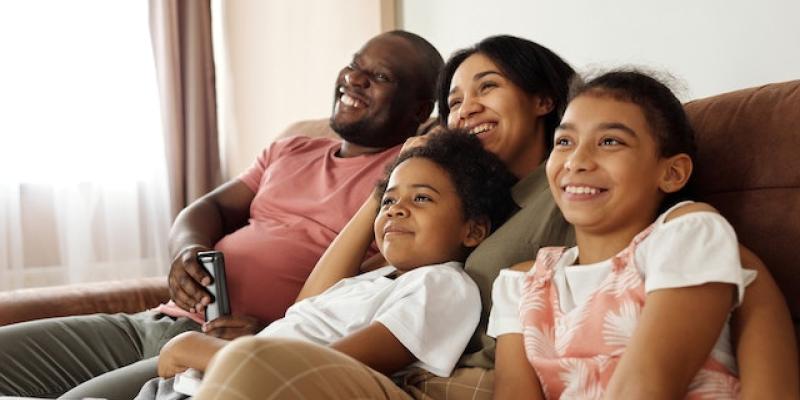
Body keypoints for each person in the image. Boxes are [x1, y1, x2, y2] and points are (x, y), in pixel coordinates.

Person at [0, 30, 444, 399]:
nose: (354, 79)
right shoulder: (291, 148)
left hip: (229, 349)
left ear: (419, 111)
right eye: (355, 64)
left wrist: (275, 335)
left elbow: (365, 297)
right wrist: (187, 251)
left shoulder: (402, 184)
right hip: (157, 322)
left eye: (379, 76)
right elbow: (207, 208)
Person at [140, 131, 518, 399]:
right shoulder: (376, 277)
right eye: (388, 201)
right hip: (204, 378)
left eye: (421, 199)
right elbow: (303, 307)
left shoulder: (443, 285)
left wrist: (196, 347)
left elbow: (328, 366)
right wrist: (378, 195)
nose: (396, 209)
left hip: (255, 381)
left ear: (473, 230)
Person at [489, 70, 753, 398]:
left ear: (672, 173)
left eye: (610, 141)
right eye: (564, 142)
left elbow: (646, 388)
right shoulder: (521, 285)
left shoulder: (690, 234)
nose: (576, 161)